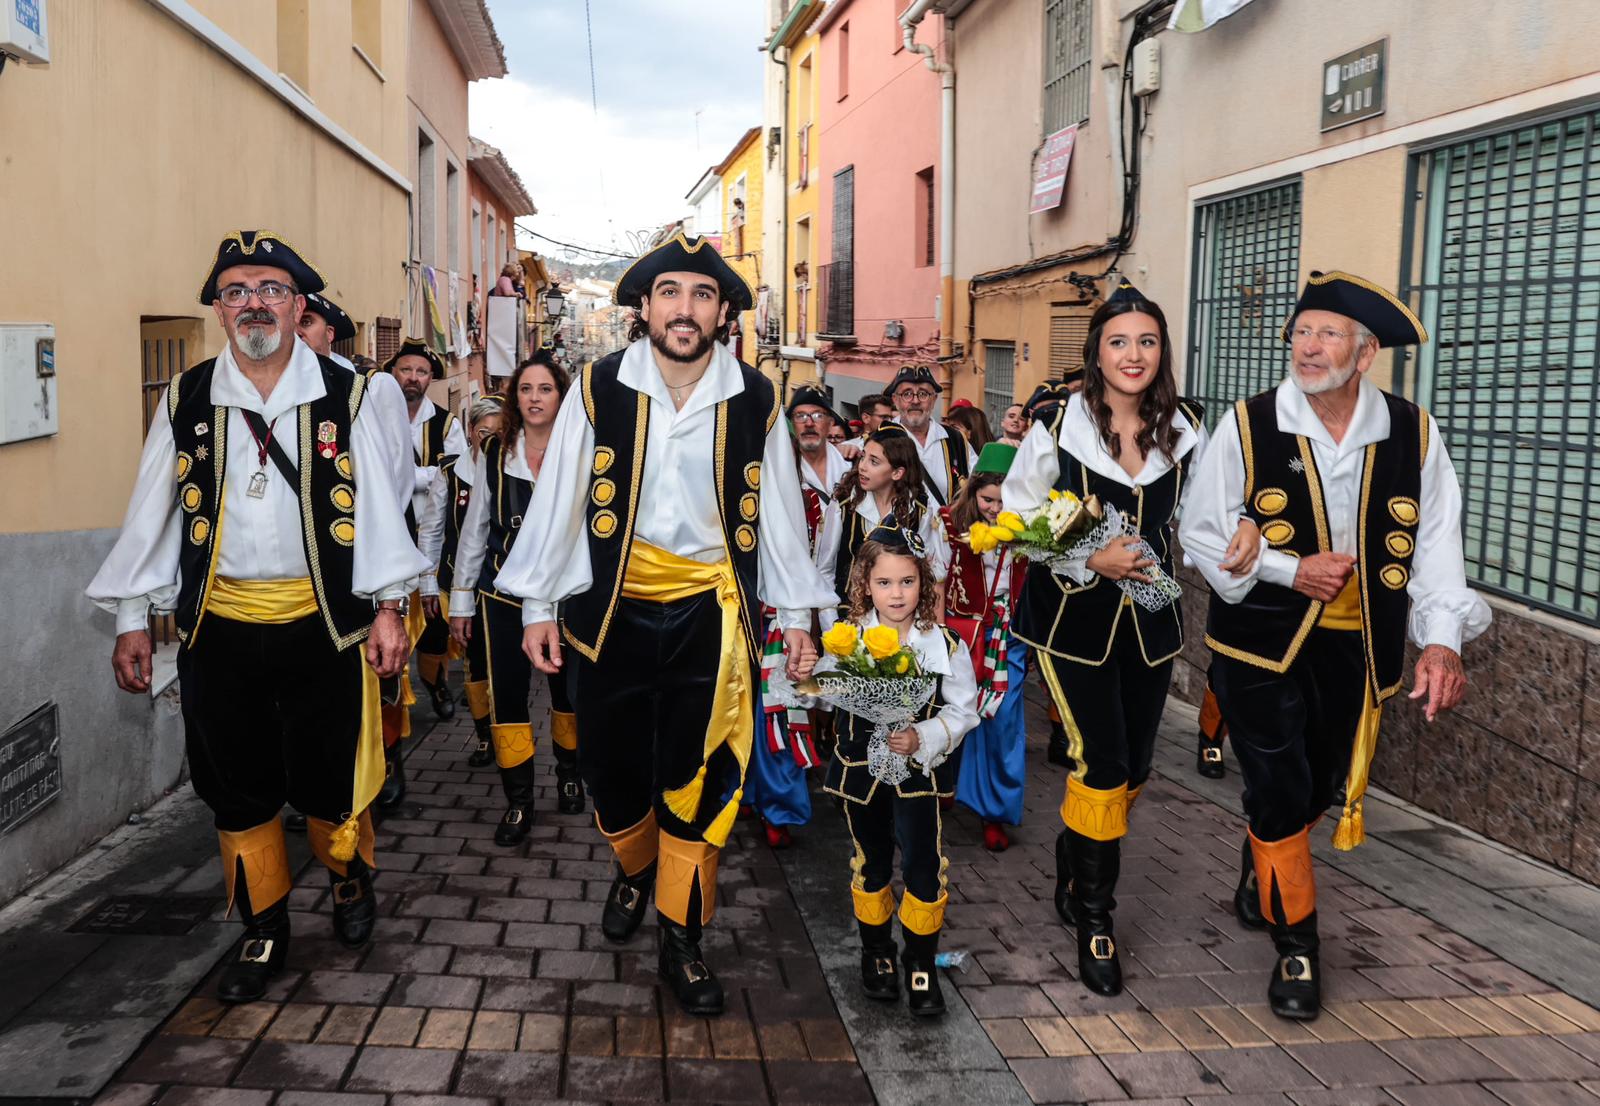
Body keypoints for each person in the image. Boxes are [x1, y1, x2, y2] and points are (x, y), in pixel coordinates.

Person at [496, 232, 835, 1016]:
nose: (686, 309)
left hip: (712, 619)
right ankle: (634, 869)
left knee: (703, 777)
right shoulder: (597, 388)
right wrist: (540, 606)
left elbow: (781, 517)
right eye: (672, 293)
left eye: (703, 295)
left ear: (722, 313)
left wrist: (796, 620)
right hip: (610, 612)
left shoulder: (757, 397)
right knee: (615, 780)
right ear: (644, 306)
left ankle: (682, 939)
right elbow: (559, 506)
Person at [87, 230, 425, 1002]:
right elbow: (152, 513)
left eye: (271, 288)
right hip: (221, 628)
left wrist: (387, 608)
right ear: (217, 309)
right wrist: (131, 617)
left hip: (324, 627)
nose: (254, 304)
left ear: (300, 304)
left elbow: (379, 507)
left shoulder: (353, 394)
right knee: (235, 785)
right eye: (235, 291)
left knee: (331, 780)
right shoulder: (188, 396)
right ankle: (264, 928)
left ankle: (347, 879)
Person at [1180, 270, 1490, 1022]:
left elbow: (1437, 545)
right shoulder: (1250, 423)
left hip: (1362, 650)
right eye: (1301, 332)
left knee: (1316, 789)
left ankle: (1267, 866)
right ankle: (1298, 947)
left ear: (1367, 350)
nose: (1308, 347)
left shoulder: (1413, 432)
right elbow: (1199, 531)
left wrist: (1442, 642)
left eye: (1327, 334)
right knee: (1283, 788)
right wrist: (1290, 568)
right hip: (1259, 647)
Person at [1005, 282, 1249, 998]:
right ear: (1097, 351)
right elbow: (1019, 518)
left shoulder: (1189, 425)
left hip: (1150, 620)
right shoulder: (1058, 422)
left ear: (1161, 350)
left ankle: (1075, 851)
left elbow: (1208, 517)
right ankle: (1096, 917)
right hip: (1069, 619)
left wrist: (1245, 533)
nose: (1133, 354)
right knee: (1101, 761)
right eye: (1118, 341)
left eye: (1146, 341)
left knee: (1135, 767)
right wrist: (1089, 557)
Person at [822, 523, 978, 1018]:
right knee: (870, 862)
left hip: (917, 777)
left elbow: (964, 710)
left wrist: (922, 737)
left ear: (923, 583)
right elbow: (824, 691)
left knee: (923, 866)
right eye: (885, 583)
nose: (896, 593)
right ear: (865, 585)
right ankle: (877, 954)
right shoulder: (847, 641)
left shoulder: (944, 644)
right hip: (860, 773)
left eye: (907, 582)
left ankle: (921, 961)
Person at [448, 353, 582, 840]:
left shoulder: (580, 453)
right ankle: (519, 801)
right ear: (515, 398)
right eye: (526, 390)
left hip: (565, 595)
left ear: (560, 397)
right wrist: (461, 602)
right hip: (502, 594)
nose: (534, 398)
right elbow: (475, 531)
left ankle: (569, 777)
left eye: (545, 389)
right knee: (508, 697)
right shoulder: (494, 453)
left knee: (566, 693)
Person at [943, 444, 1030, 851]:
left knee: (1003, 719)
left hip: (1009, 637)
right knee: (954, 709)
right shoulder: (948, 526)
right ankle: (945, 783)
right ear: (974, 493)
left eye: (1004, 499)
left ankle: (994, 810)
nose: (995, 508)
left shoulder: (1034, 532)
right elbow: (938, 579)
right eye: (988, 499)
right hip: (964, 636)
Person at [389, 339, 470, 733]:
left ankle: (435, 683)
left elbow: (450, 477)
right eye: (406, 370)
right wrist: (423, 475)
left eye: (421, 372)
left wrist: (405, 476)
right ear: (393, 373)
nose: (413, 378)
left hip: (429, 541)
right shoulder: (375, 418)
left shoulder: (446, 424)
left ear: (430, 379)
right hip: (390, 540)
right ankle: (393, 702)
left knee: (434, 626)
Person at [425, 395, 504, 769]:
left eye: (498, 432)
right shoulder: (450, 473)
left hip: (503, 586)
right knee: (475, 663)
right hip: (462, 582)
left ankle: (507, 733)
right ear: (471, 432)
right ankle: (485, 736)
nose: (488, 439)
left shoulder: (512, 473)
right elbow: (432, 530)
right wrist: (428, 581)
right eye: (482, 431)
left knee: (506, 667)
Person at [815, 422, 946, 626]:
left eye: (874, 462)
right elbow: (825, 570)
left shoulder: (919, 509)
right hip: (848, 617)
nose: (863, 467)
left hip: (900, 620)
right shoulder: (843, 505)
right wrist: (831, 626)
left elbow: (929, 570)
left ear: (897, 473)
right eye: (863, 457)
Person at [888, 366, 976, 505]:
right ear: (895, 400)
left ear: (934, 399)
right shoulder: (881, 440)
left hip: (945, 526)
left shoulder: (956, 440)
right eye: (907, 394)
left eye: (923, 394)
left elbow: (980, 480)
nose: (915, 401)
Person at [790, 385, 851, 506]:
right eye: (800, 416)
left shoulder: (850, 464)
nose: (809, 423)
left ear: (830, 423)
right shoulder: (781, 467)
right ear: (792, 423)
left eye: (818, 416)